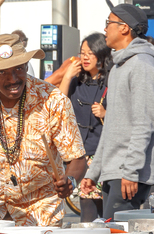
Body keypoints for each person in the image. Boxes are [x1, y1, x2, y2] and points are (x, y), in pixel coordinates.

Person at [0, 33, 86, 226]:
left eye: (18, 69)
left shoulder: (53, 100)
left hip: (40, 212)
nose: (13, 78)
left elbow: (77, 158)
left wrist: (70, 180)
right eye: (2, 72)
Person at [81, 1, 154, 220]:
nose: (104, 29)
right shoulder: (119, 67)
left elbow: (144, 123)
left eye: (108, 23)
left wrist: (130, 171)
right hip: (114, 172)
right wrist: (94, 172)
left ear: (124, 28)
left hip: (128, 175)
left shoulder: (141, 64)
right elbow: (111, 126)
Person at [59, 33, 112, 222]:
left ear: (101, 54)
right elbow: (59, 105)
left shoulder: (111, 80)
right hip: (82, 153)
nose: (85, 57)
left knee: (104, 205)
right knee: (87, 201)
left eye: (91, 53)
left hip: (104, 152)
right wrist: (67, 76)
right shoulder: (77, 81)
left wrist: (106, 113)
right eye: (82, 53)